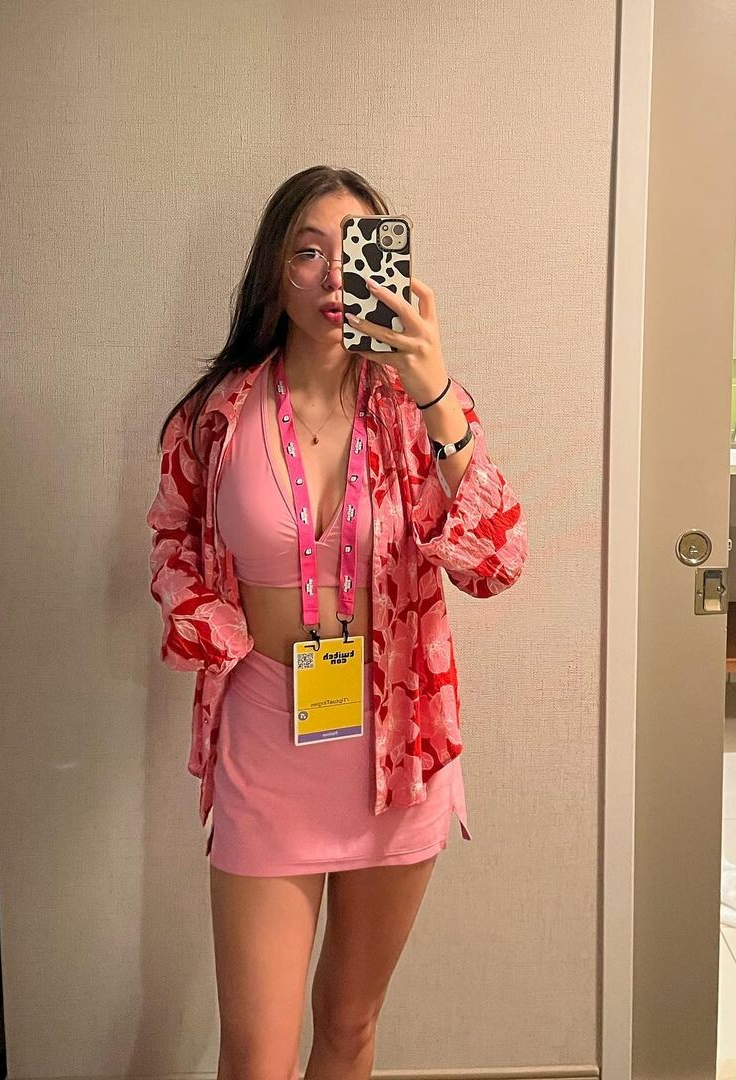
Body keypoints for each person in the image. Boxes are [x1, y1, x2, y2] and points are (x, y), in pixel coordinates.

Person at [145, 165, 527, 1079]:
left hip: (397, 747)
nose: (331, 276)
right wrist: (211, 627)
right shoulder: (217, 413)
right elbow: (170, 536)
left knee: (349, 1027)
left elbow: (495, 563)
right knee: (257, 1057)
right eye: (307, 251)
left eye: (354, 252)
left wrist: (434, 390)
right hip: (267, 740)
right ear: (273, 270)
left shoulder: (420, 409)